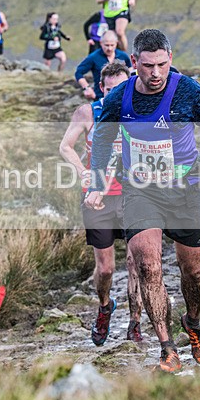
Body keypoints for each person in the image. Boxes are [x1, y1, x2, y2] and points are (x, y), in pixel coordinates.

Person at [85, 29, 200, 373]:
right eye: (148, 66)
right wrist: (97, 182)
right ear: (133, 61)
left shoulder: (187, 90)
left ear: (170, 59)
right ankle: (166, 347)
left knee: (193, 271)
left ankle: (193, 324)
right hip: (140, 190)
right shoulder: (119, 97)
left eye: (162, 65)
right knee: (148, 266)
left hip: (184, 190)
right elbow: (103, 139)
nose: (156, 73)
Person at [59, 60, 144, 345]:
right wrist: (82, 172)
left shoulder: (139, 111)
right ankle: (105, 307)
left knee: (135, 263)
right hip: (97, 198)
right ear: (100, 88)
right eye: (109, 90)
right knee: (106, 268)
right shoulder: (88, 112)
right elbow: (65, 146)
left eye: (121, 88)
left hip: (133, 196)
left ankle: (135, 323)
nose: (115, 95)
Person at [75, 31, 131, 101]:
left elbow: (130, 71)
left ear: (116, 43)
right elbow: (78, 72)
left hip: (121, 97)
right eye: (106, 45)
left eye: (112, 45)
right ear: (101, 43)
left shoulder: (123, 56)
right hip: (100, 97)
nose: (109, 48)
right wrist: (87, 88)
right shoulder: (93, 57)